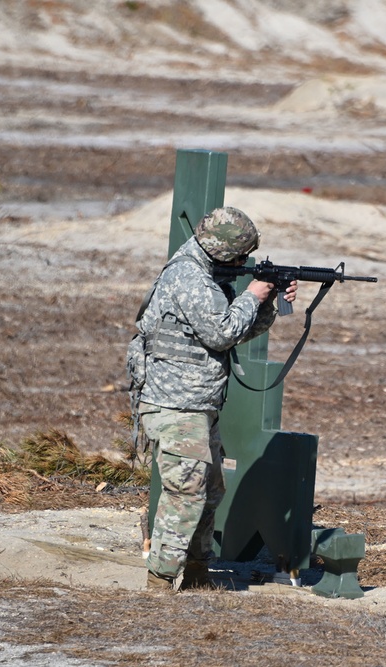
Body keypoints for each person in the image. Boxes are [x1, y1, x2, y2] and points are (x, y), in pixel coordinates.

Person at [129, 206, 297, 592]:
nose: (242, 263)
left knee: (209, 490)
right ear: (221, 252)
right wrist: (253, 294)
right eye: (239, 257)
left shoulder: (207, 274)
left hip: (198, 402)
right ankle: (160, 582)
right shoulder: (190, 277)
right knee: (186, 493)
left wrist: (267, 301)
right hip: (175, 403)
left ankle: (199, 572)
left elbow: (237, 331)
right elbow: (222, 332)